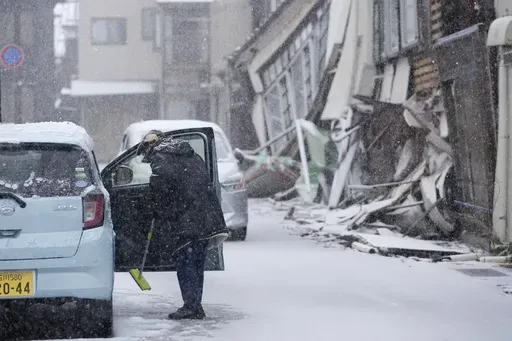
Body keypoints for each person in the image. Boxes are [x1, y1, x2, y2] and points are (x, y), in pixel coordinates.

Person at [136, 130, 229, 320]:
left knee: (185, 261)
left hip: (187, 217)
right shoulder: (188, 153)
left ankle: (191, 307)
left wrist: (154, 205)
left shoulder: (161, 156)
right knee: (196, 262)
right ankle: (195, 304)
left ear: (149, 145)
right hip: (205, 214)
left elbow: (163, 184)